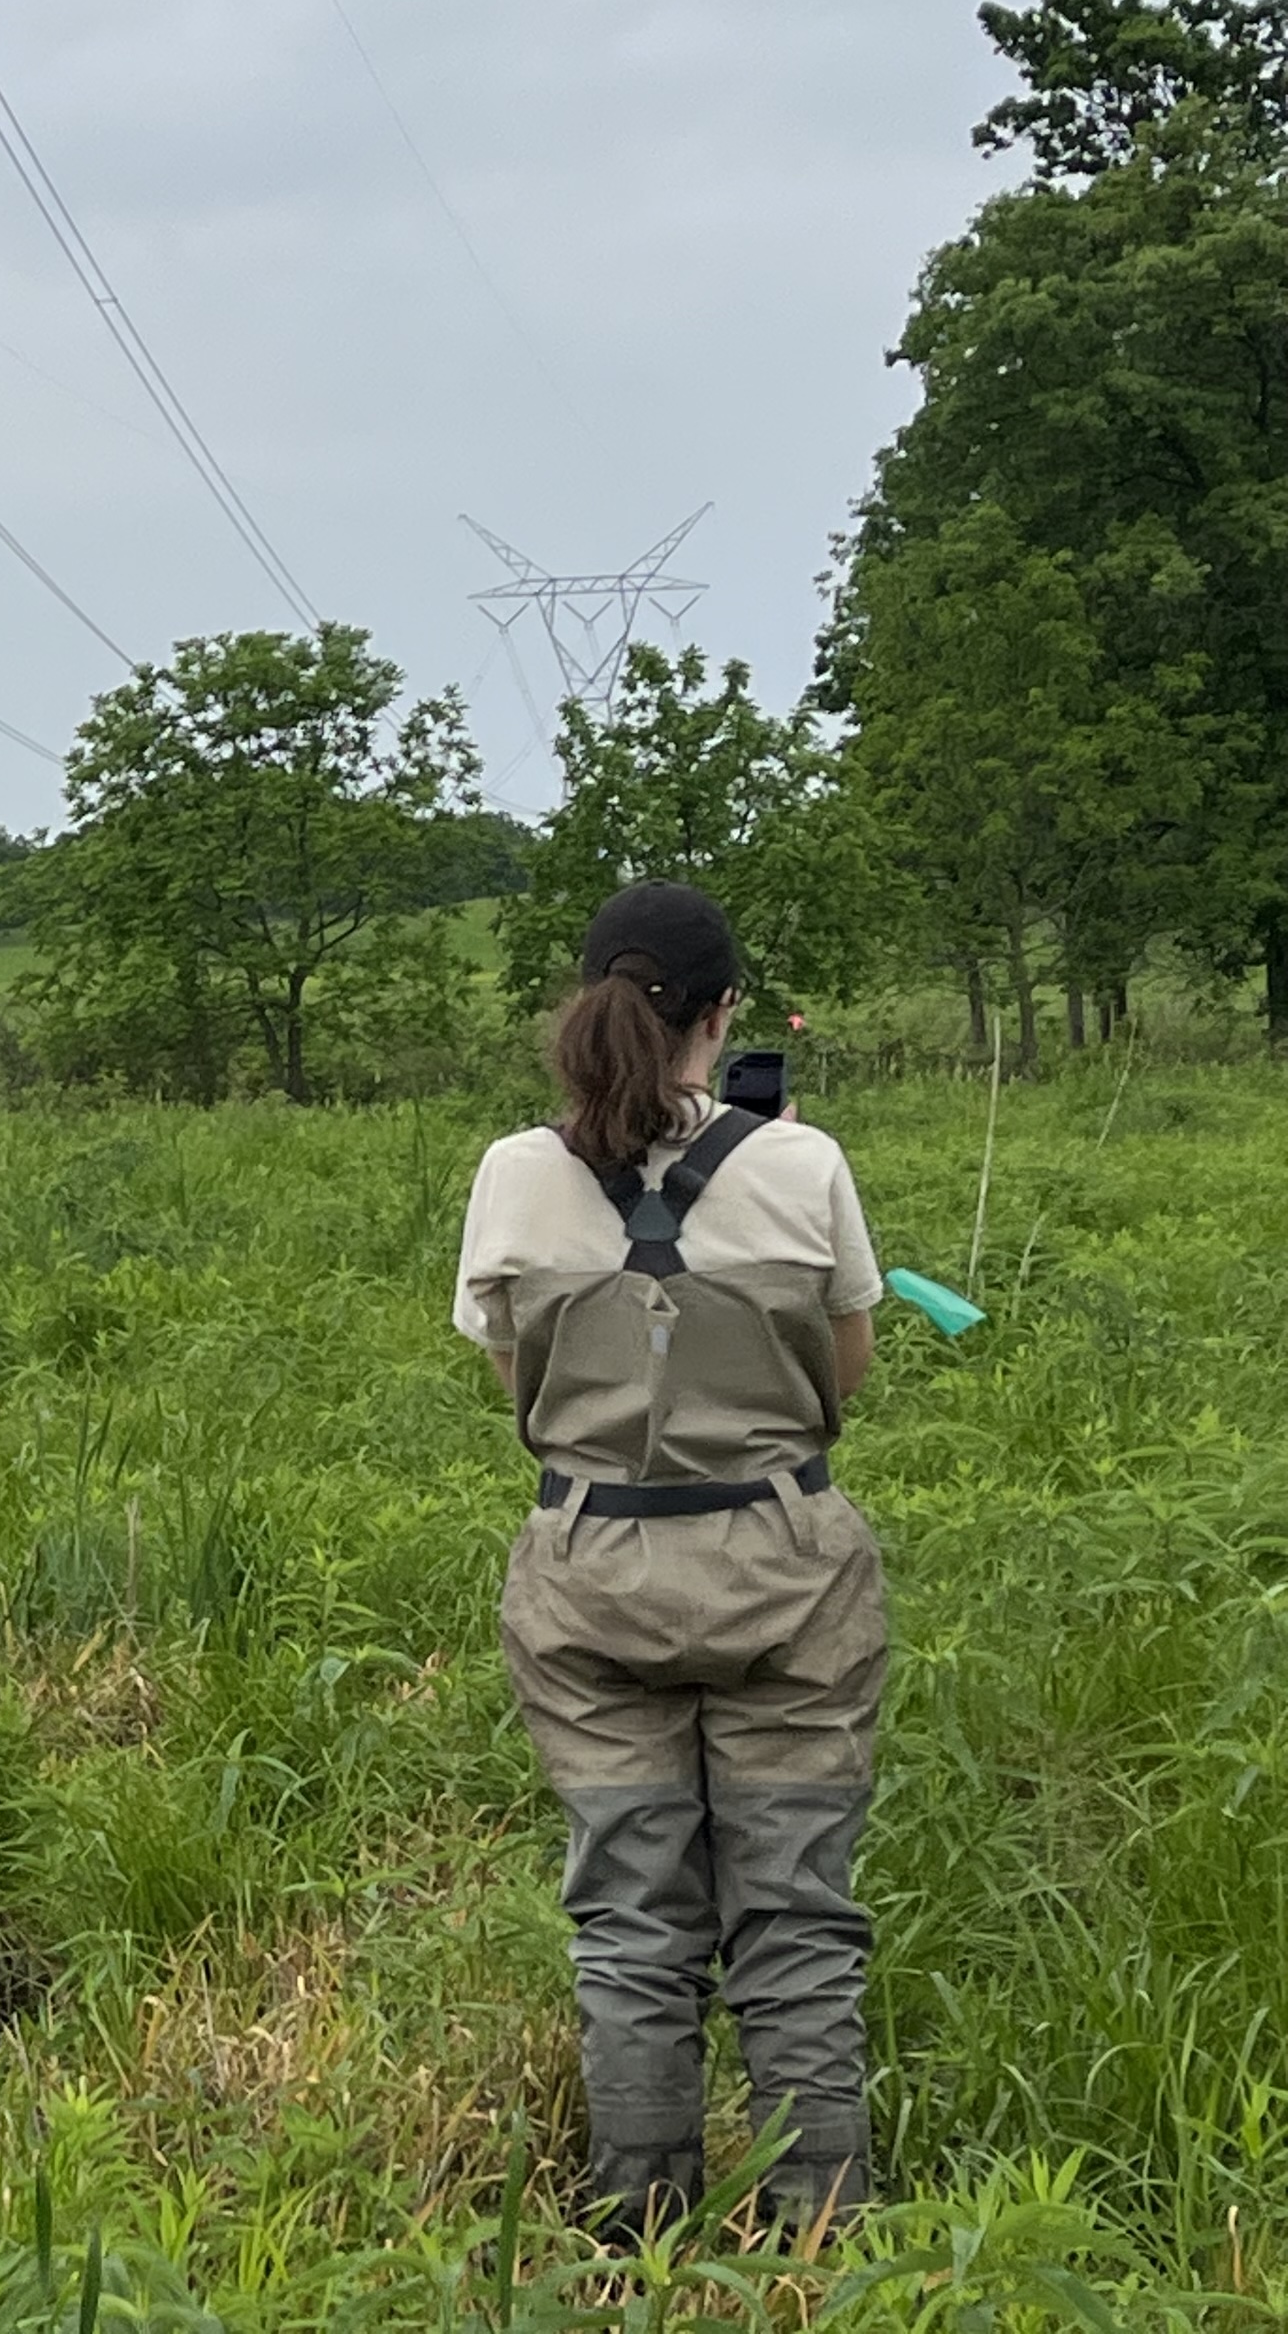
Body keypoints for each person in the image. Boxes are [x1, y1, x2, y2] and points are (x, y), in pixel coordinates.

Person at [452, 881, 886, 2242]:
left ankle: (641, 2240)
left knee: (632, 1928)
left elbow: (521, 1380)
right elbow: (847, 1374)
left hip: (590, 1573)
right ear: (725, 1016)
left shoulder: (515, 1175)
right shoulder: (800, 1167)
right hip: (784, 1572)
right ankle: (819, 2243)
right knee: (797, 1926)